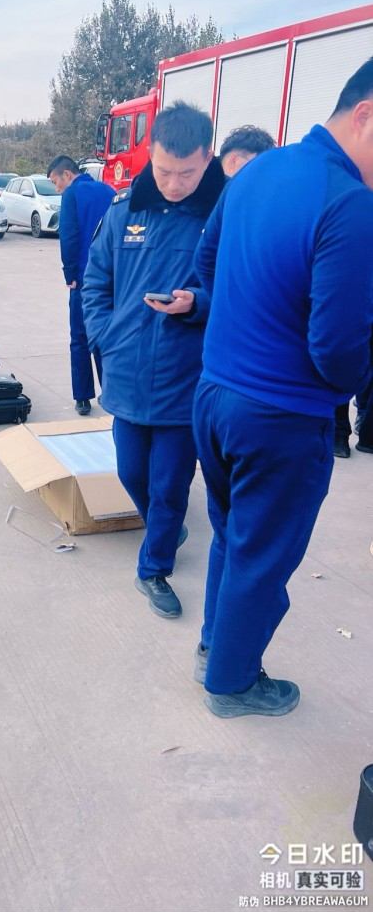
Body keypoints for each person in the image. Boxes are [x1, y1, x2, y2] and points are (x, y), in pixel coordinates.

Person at [193, 57, 373, 719]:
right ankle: (232, 683)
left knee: (233, 537)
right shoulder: (350, 202)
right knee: (262, 556)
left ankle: (215, 647)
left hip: (215, 398)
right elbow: (337, 350)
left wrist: (246, 326)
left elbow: (206, 262)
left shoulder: (259, 170)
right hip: (280, 417)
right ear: (366, 115)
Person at [82, 102, 225, 618]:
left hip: (186, 377)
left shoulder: (222, 216)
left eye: (186, 173)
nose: (173, 183)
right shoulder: (124, 211)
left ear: (207, 158)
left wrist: (197, 303)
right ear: (151, 156)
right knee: (131, 472)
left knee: (168, 485)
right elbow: (95, 283)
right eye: (164, 171)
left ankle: (154, 567)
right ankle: (167, 528)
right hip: (126, 371)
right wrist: (105, 338)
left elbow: (240, 291)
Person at [47, 155, 115, 415]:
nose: (57, 188)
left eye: (56, 182)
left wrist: (70, 274)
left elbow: (69, 236)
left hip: (84, 278)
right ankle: (110, 392)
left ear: (67, 174)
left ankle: (83, 398)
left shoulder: (71, 195)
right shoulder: (108, 190)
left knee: (80, 337)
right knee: (106, 335)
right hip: (110, 277)